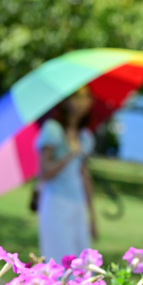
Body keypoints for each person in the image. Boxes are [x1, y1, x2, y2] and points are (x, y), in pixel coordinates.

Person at [35, 86, 97, 262]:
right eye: (78, 97)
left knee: (84, 263)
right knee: (61, 259)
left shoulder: (85, 137)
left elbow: (85, 177)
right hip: (56, 203)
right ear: (67, 101)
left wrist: (92, 217)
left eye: (87, 97)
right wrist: (70, 154)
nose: (84, 102)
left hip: (77, 204)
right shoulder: (53, 130)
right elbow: (44, 172)